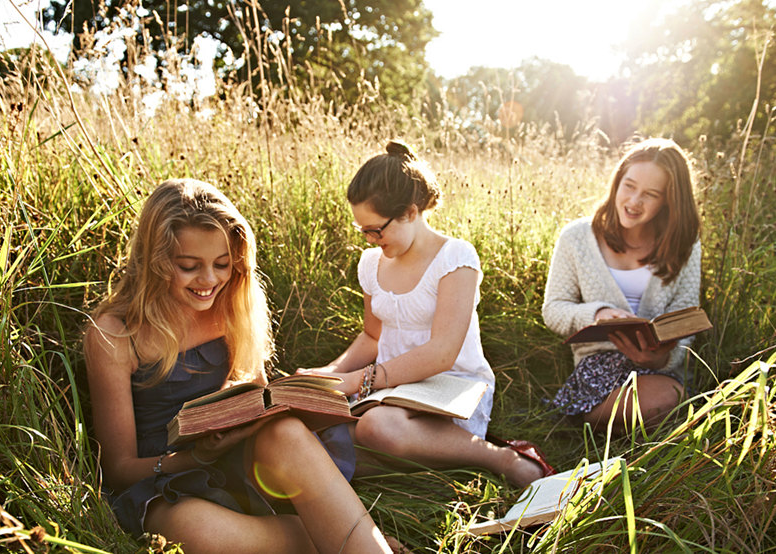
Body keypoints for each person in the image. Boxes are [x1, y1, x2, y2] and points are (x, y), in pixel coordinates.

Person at [84, 179, 392, 553]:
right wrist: (196, 456)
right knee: (205, 536)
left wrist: (248, 406)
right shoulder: (116, 334)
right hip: (164, 479)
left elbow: (258, 392)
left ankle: (361, 544)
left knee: (286, 433)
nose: (209, 280)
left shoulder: (231, 303)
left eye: (222, 264)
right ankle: (347, 536)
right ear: (156, 260)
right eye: (188, 266)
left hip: (237, 458)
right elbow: (117, 468)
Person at [298, 141, 554, 487]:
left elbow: (442, 353)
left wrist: (357, 380)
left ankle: (502, 457)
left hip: (449, 389)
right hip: (390, 392)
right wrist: (328, 374)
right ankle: (431, 466)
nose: (372, 239)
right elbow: (373, 336)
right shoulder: (371, 263)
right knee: (317, 431)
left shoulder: (455, 258)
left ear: (411, 211)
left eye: (377, 229)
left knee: (374, 428)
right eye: (364, 231)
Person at [542, 138, 701, 435]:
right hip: (599, 367)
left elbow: (685, 318)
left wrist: (663, 357)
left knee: (668, 398)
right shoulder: (576, 237)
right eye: (629, 186)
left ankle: (598, 422)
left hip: (660, 370)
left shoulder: (685, 245)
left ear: (669, 199)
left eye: (650, 195)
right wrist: (597, 314)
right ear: (616, 182)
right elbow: (553, 310)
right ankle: (593, 416)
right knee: (665, 405)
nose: (633, 202)